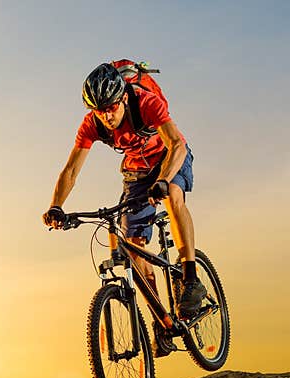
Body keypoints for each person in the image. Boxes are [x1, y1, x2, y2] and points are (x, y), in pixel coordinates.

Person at [42, 60, 206, 358]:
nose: (107, 116)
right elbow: (71, 171)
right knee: (131, 247)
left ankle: (191, 277)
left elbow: (177, 145)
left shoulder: (145, 102)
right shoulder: (92, 124)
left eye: (111, 108)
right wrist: (56, 206)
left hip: (168, 160)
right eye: (99, 110)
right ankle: (162, 321)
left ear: (122, 98)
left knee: (172, 197)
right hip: (136, 173)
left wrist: (164, 180)